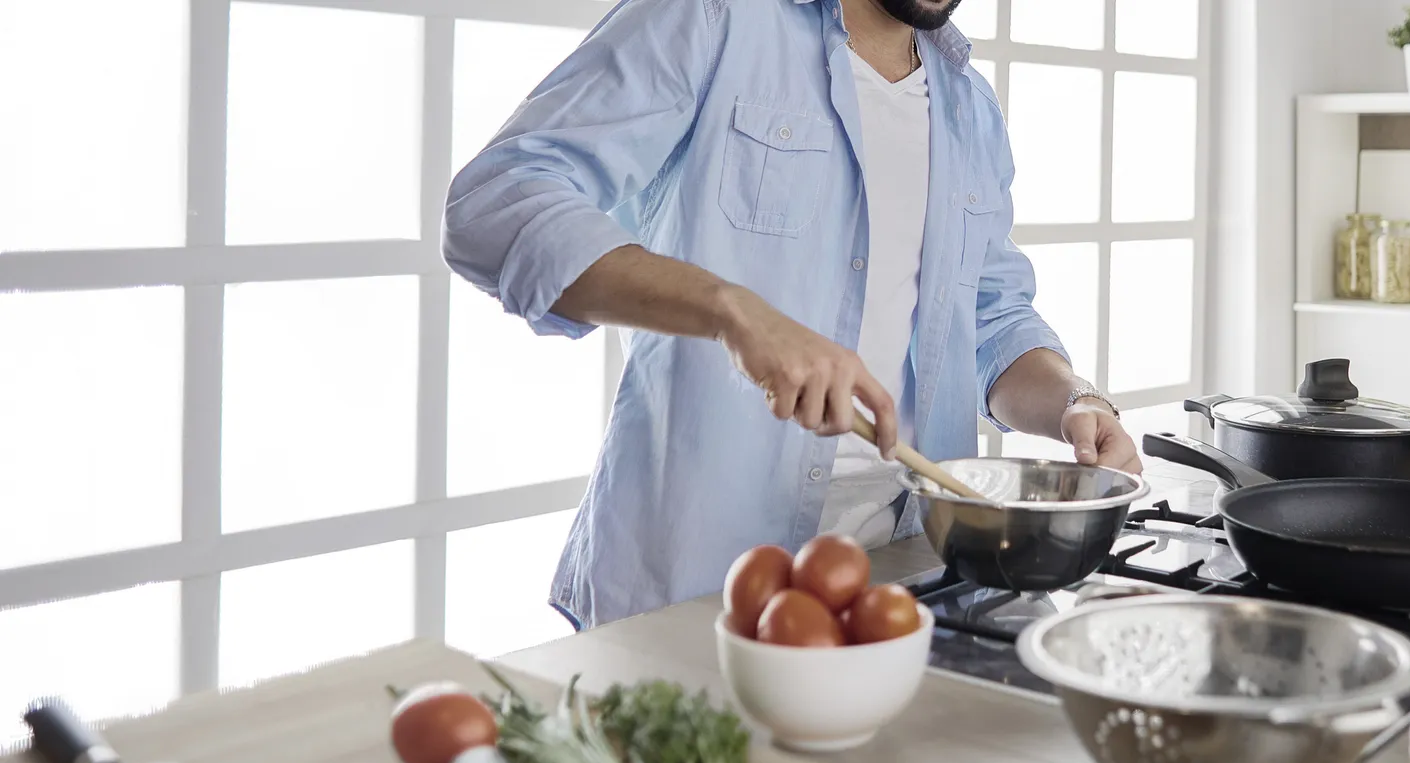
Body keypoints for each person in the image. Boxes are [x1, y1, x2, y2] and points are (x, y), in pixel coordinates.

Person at [442, 0, 1140, 628]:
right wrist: (730, 309)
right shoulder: (712, 18)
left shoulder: (970, 107)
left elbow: (992, 319)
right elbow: (496, 203)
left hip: (905, 584)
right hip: (693, 583)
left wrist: (1073, 401)